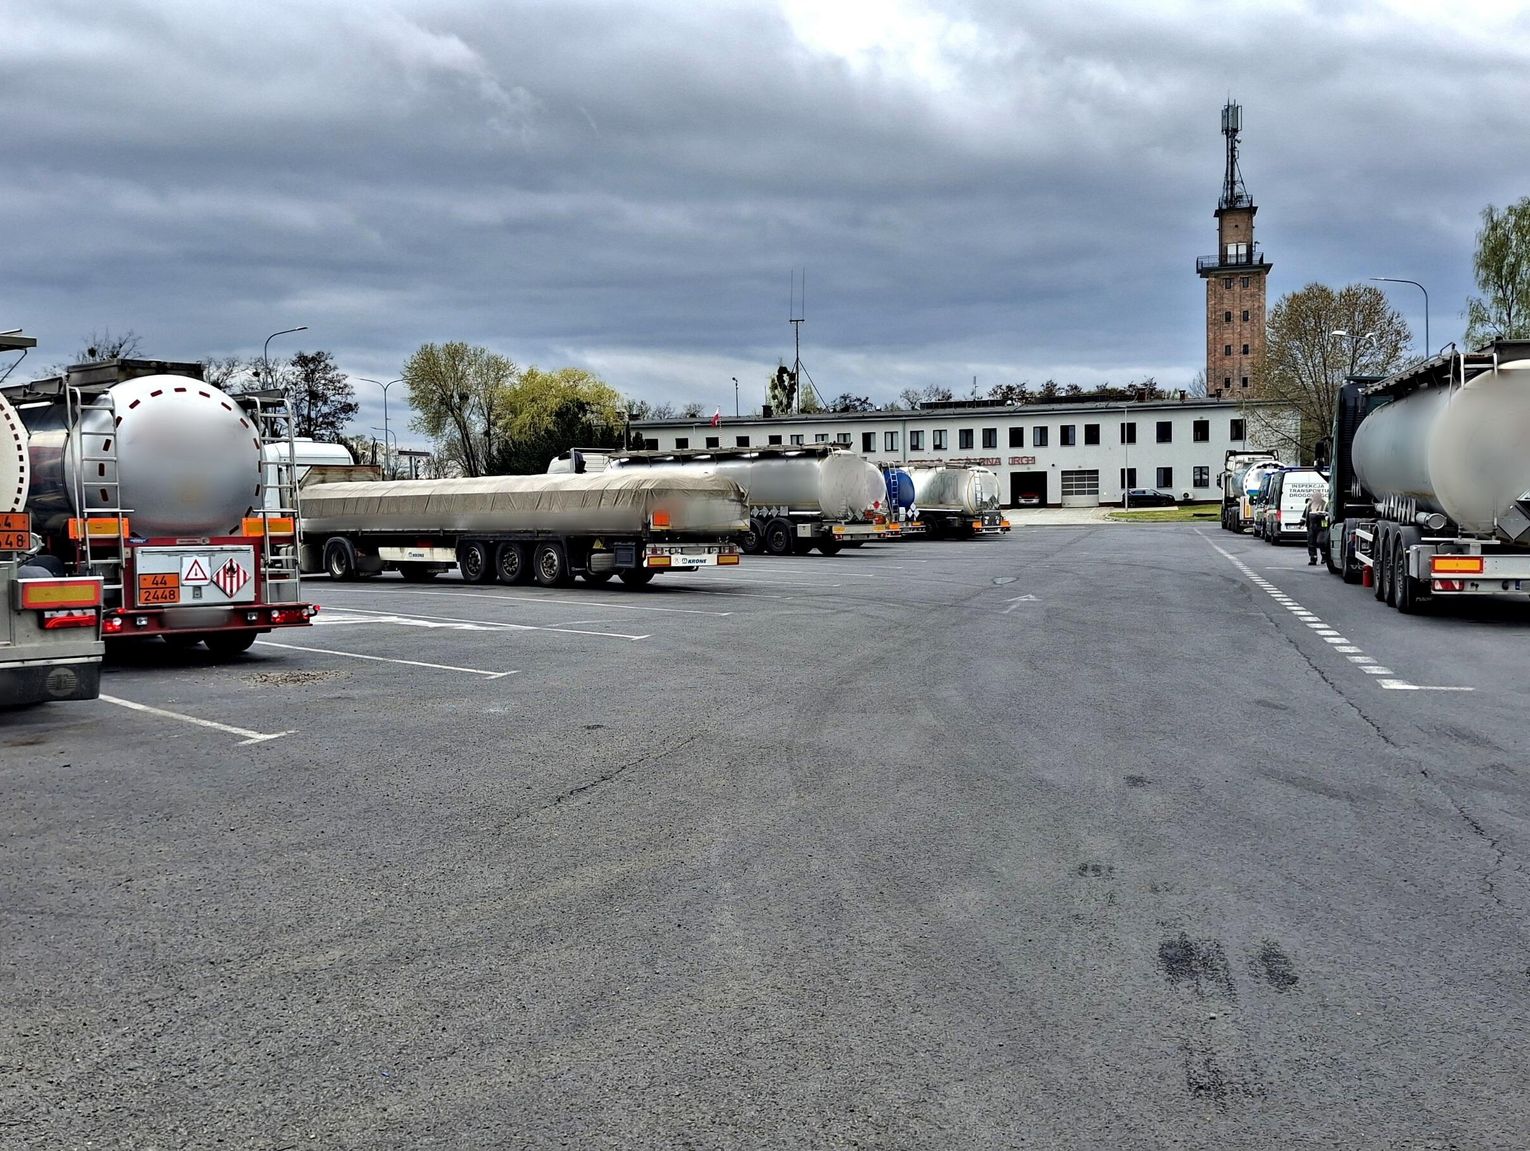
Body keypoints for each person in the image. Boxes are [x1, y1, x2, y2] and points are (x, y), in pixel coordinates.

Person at [1303, 487, 1329, 565]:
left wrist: (1322, 516)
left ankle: (1324, 556)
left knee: (1321, 541)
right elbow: (1305, 514)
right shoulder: (1309, 504)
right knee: (1311, 542)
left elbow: (1328, 515)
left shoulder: (1325, 504)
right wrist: (1302, 522)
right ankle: (1313, 558)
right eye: (1315, 496)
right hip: (1311, 526)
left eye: (1318, 496)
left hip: (1321, 526)